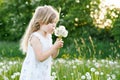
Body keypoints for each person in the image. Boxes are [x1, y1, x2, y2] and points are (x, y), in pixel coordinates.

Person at [19, 5, 63, 80]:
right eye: (51, 22)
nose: (54, 25)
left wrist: (57, 48)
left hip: (43, 72)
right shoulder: (36, 37)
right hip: (33, 73)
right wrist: (54, 47)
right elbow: (40, 57)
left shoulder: (48, 36)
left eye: (55, 22)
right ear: (41, 21)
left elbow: (53, 55)